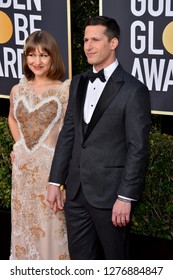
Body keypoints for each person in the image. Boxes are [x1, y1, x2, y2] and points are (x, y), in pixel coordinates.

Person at [47, 16, 151, 260]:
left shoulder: (133, 90)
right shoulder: (79, 82)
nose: (88, 46)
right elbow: (69, 133)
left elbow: (138, 148)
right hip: (75, 194)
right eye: (85, 40)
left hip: (111, 196)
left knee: (116, 263)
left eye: (96, 39)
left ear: (113, 43)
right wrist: (55, 181)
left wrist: (125, 197)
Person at [8, 30, 70, 260]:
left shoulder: (64, 90)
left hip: (50, 172)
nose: (37, 61)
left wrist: (61, 181)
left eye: (43, 55)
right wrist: (19, 145)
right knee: (23, 224)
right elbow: (12, 119)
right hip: (22, 172)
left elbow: (69, 135)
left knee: (51, 226)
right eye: (31, 55)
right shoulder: (18, 89)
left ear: (53, 57)